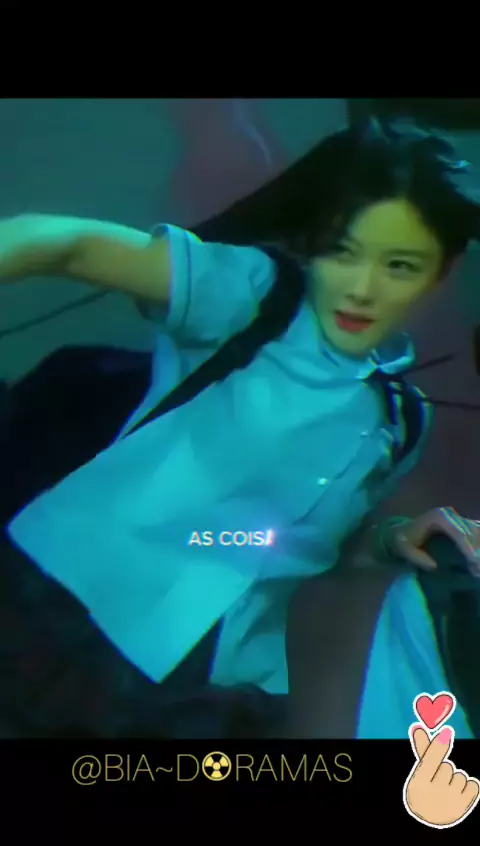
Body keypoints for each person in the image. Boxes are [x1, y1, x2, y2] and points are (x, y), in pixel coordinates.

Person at [1, 116, 480, 738]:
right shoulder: (255, 298)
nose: (362, 289)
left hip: (205, 690)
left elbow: (315, 547)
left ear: (441, 272)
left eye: (400, 265)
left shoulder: (402, 416)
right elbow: (65, 244)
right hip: (68, 605)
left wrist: (394, 539)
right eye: (343, 251)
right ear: (314, 243)